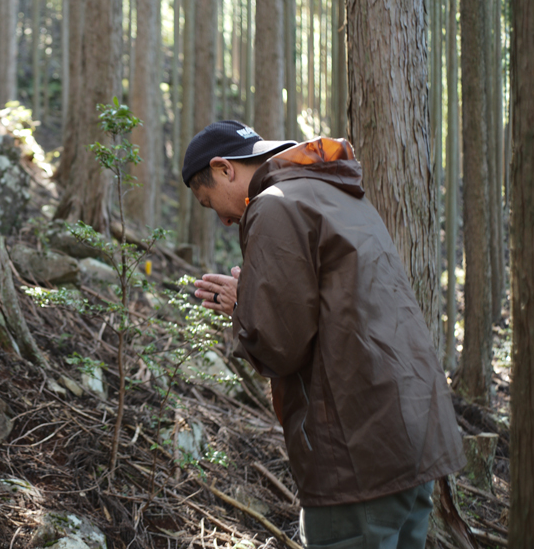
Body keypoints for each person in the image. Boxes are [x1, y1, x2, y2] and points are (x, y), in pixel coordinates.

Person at [181, 120, 465, 549]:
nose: (222, 219)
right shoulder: (331, 192)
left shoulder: (273, 204)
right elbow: (336, 308)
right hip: (413, 436)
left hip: (356, 453)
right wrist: (254, 294)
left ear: (223, 168)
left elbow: (280, 345)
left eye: (208, 203)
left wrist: (243, 307)